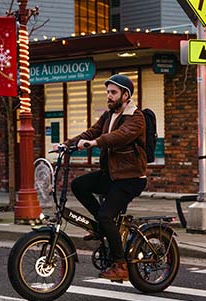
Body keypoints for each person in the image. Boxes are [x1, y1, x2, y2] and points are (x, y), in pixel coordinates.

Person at [63, 74, 147, 281]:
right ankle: (102, 228)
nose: (108, 96)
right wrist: (68, 144)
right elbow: (91, 132)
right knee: (79, 185)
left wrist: (95, 143)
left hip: (130, 178)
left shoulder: (136, 117)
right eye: (107, 92)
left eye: (113, 92)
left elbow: (120, 136)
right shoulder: (109, 115)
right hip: (111, 175)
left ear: (125, 95)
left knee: (106, 215)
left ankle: (121, 265)